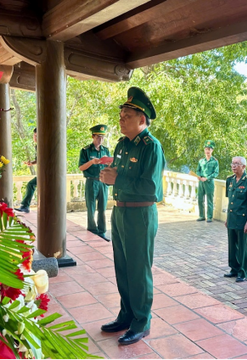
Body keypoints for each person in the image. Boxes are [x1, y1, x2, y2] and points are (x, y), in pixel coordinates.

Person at [99, 87, 165, 346]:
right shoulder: (121, 144)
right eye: (121, 114)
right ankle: (126, 315)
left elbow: (152, 189)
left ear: (142, 119)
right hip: (120, 210)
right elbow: (118, 176)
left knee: (138, 270)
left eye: (127, 114)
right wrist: (108, 178)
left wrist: (119, 179)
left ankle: (141, 322)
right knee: (123, 267)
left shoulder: (151, 146)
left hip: (141, 214)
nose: (121, 118)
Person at [78, 125, 111, 241]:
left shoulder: (105, 150)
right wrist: (92, 162)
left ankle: (102, 231)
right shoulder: (86, 150)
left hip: (103, 182)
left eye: (102, 137)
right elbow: (81, 167)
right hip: (91, 182)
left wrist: (108, 162)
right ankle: (92, 230)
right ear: (93, 136)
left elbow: (111, 165)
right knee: (91, 208)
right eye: (98, 137)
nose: (100, 139)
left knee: (102, 208)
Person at [224, 156, 247, 282]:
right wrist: (227, 218)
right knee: (232, 245)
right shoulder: (229, 180)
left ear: (244, 166)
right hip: (232, 218)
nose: (234, 166)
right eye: (233, 163)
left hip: (242, 219)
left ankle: (243, 271)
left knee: (242, 246)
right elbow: (230, 200)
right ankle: (233, 269)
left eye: (237, 164)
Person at [196, 140, 219, 222]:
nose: (207, 151)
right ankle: (201, 215)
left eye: (209, 149)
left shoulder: (215, 161)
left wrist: (207, 178)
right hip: (201, 182)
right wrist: (199, 176)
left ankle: (209, 217)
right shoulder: (201, 161)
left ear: (212, 150)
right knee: (200, 199)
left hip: (209, 182)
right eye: (206, 149)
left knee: (209, 200)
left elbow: (216, 173)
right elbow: (198, 170)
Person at [14, 129, 37, 213]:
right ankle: (25, 206)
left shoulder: (44, 145)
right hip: (43, 173)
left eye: (37, 136)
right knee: (31, 184)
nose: (35, 137)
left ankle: (25, 206)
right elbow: (38, 160)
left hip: (48, 172)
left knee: (31, 184)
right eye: (34, 135)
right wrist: (31, 163)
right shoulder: (37, 147)